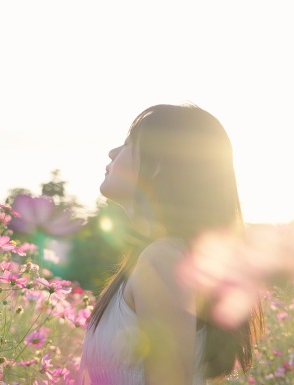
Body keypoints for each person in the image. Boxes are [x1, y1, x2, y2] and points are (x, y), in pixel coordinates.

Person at [78, 104, 264, 385]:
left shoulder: (164, 260)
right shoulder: (160, 258)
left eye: (128, 144)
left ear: (159, 164)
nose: (112, 153)